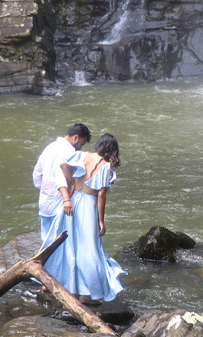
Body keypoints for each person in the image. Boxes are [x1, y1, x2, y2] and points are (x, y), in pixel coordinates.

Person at [40, 133, 126, 303]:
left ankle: (55, 281)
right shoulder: (107, 166)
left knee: (68, 245)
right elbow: (101, 195)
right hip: (88, 206)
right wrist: (101, 220)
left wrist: (72, 182)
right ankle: (89, 288)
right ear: (112, 149)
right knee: (89, 247)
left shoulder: (82, 155)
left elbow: (63, 165)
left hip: (73, 201)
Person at [33, 123, 91, 244]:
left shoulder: (49, 147)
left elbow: (36, 174)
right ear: (75, 138)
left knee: (46, 238)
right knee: (60, 240)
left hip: (44, 200)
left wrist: (43, 190)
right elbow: (60, 176)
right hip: (60, 202)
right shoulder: (68, 152)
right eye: (81, 143)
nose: (80, 147)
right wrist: (66, 199)